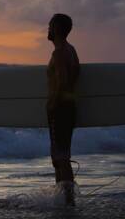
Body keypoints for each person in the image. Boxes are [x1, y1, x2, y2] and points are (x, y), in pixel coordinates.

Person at [46, 13, 80, 206]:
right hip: (69, 106)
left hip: (59, 108)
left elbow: (63, 80)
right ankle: (66, 199)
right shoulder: (71, 50)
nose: (48, 29)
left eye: (50, 26)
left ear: (57, 28)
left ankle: (67, 202)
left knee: (60, 157)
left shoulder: (58, 53)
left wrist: (52, 102)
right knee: (62, 156)